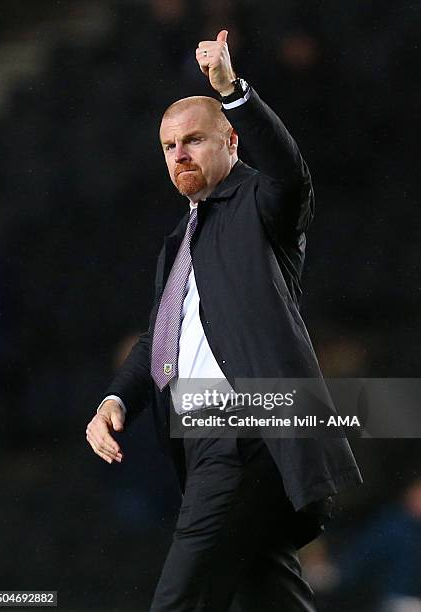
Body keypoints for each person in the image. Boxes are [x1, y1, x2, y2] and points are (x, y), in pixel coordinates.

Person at [86, 29, 363, 611]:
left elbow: (292, 173)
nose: (179, 154)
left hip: (251, 430)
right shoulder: (178, 245)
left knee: (179, 600)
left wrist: (232, 90)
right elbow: (158, 343)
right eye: (167, 146)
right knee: (266, 595)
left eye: (193, 140)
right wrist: (116, 400)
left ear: (231, 142)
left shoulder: (260, 205)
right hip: (204, 440)